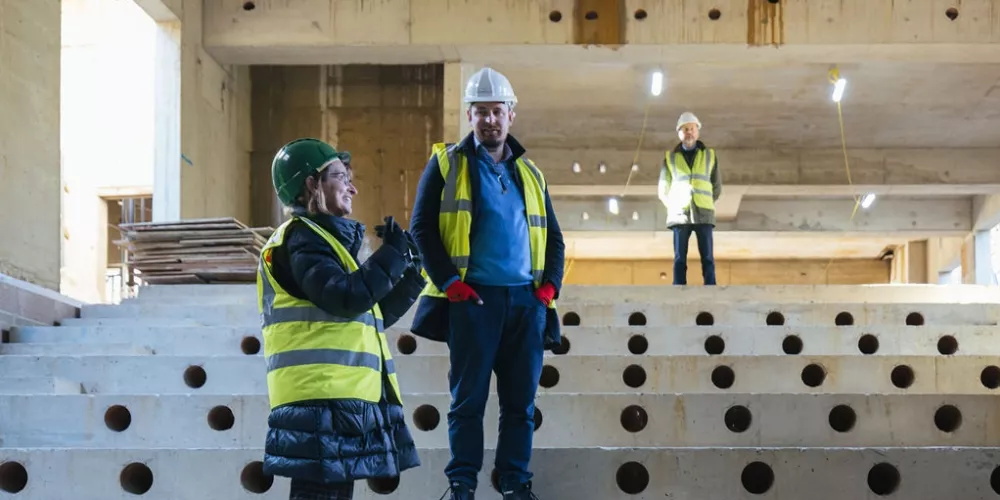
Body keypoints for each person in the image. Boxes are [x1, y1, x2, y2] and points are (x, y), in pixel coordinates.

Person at [408, 67, 565, 500]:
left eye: (497, 111)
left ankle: (515, 483)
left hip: (526, 305)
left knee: (520, 406)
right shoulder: (447, 163)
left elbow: (554, 238)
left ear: (511, 115)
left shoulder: (531, 175)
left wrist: (549, 289)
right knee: (467, 403)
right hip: (473, 301)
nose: (489, 120)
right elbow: (421, 228)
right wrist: (448, 283)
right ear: (470, 116)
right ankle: (462, 485)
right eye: (480, 112)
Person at [256, 137, 426, 500]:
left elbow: (369, 313)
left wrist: (410, 273)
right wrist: (390, 257)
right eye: (340, 176)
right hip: (320, 399)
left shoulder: (322, 243)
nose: (353, 186)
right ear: (311, 185)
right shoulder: (303, 240)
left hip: (332, 399)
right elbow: (347, 297)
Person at [657, 111, 722, 286]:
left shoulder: (709, 156)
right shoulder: (670, 158)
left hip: (704, 213)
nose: (689, 132)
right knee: (679, 259)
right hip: (680, 214)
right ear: (679, 132)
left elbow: (716, 187)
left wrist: (705, 201)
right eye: (685, 129)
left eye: (692, 128)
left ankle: (710, 288)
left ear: (697, 131)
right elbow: (663, 189)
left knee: (707, 257)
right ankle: (678, 288)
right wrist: (673, 206)